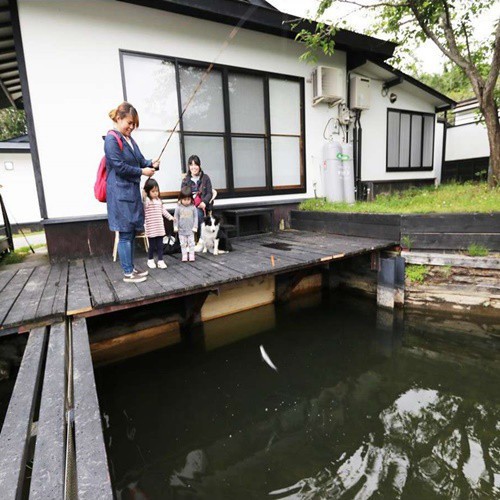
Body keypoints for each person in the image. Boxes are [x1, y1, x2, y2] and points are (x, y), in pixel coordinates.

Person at [105, 101, 159, 283]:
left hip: (130, 193)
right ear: (119, 119)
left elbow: (140, 159)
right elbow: (119, 167)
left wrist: (151, 163)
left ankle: (131, 268)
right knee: (124, 233)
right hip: (120, 195)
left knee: (130, 232)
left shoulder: (128, 139)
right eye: (129, 123)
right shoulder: (112, 139)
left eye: (133, 124)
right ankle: (128, 272)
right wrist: (142, 171)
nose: (131, 127)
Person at [143, 178, 174, 269]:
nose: (155, 193)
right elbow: (144, 201)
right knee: (152, 245)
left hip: (159, 227)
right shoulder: (147, 201)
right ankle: (150, 259)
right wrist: (144, 194)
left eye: (157, 191)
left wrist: (170, 217)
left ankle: (160, 260)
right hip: (151, 227)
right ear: (148, 192)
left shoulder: (159, 201)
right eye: (153, 191)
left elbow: (163, 211)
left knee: (160, 245)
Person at [180, 155, 213, 233]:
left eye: (196, 165)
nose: (194, 167)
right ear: (189, 166)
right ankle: (187, 240)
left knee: (198, 213)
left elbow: (209, 193)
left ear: (199, 166)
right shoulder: (185, 180)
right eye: (191, 165)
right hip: (189, 205)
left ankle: (201, 238)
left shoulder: (205, 178)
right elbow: (182, 195)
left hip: (201, 206)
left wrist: (204, 202)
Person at [174, 187, 198, 262]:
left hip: (191, 230)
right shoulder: (178, 207)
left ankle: (191, 255)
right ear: (180, 199)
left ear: (191, 199)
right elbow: (176, 217)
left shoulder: (193, 207)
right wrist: (175, 226)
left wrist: (195, 226)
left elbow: (196, 217)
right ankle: (184, 255)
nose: (186, 201)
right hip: (181, 230)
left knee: (191, 243)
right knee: (183, 244)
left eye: (188, 199)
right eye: (184, 199)